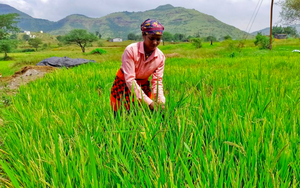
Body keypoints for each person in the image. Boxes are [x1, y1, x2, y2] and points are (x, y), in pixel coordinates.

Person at [110, 18, 166, 113]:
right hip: (123, 84)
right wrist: (149, 102)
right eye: (151, 38)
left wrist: (160, 101)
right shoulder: (131, 50)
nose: (155, 42)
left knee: (143, 114)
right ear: (143, 35)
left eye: (158, 39)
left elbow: (157, 81)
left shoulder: (160, 57)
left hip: (143, 85)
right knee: (121, 114)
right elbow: (130, 80)